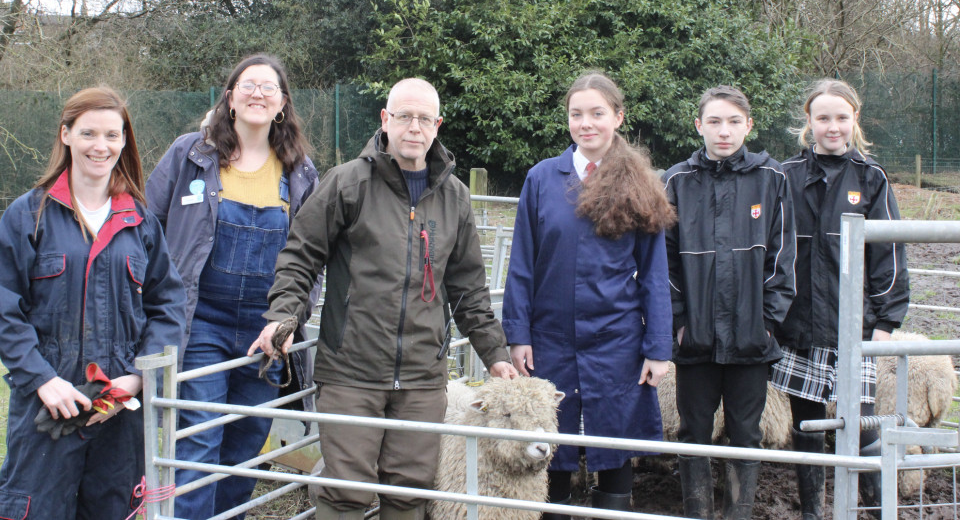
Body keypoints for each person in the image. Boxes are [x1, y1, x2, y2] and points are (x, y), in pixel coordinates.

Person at [248, 77, 519, 520]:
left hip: (421, 377)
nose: (414, 127)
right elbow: (301, 256)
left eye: (424, 118)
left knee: (410, 493)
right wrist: (285, 314)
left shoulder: (454, 198)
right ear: (385, 120)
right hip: (351, 371)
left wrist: (495, 353)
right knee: (346, 492)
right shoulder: (347, 184)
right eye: (404, 116)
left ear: (437, 126)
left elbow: (468, 288)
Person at [0, 86, 186, 519]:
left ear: (124, 141)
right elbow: (2, 308)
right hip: (46, 408)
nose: (101, 145)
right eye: (89, 133)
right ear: (66, 135)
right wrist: (42, 379)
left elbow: (167, 306)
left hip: (120, 413)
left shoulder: (141, 222)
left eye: (112, 135)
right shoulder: (27, 215)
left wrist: (136, 379)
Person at [145, 54, 320, 520]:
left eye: (269, 87)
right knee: (199, 437)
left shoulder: (300, 173)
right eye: (248, 85)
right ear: (231, 98)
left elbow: (312, 260)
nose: (258, 93)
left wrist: (289, 320)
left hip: (265, 333)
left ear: (282, 103)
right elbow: (147, 229)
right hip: (201, 322)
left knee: (245, 444)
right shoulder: (191, 156)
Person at [503, 71, 675, 515]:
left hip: (616, 340)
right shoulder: (542, 178)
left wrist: (657, 348)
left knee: (614, 444)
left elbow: (655, 273)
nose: (586, 123)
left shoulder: (641, 182)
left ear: (617, 117)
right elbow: (522, 264)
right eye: (576, 114)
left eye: (597, 113)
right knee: (552, 443)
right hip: (550, 338)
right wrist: (518, 335)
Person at [771, 79, 909, 520]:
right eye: (823, 118)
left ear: (854, 121)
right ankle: (813, 511)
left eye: (841, 118)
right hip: (800, 324)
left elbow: (889, 255)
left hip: (854, 325)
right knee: (806, 422)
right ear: (808, 123)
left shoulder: (872, 177)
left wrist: (886, 322)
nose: (833, 126)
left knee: (863, 420)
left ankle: (878, 508)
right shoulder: (786, 176)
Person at [663, 85, 797, 520]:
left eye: (734, 122)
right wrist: (680, 321)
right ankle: (696, 512)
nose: (724, 131)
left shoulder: (771, 178)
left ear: (749, 126)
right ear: (699, 125)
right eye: (715, 122)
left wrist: (767, 322)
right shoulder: (677, 180)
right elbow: (665, 259)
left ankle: (738, 513)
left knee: (746, 432)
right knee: (693, 431)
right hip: (696, 337)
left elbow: (782, 254)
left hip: (750, 337)